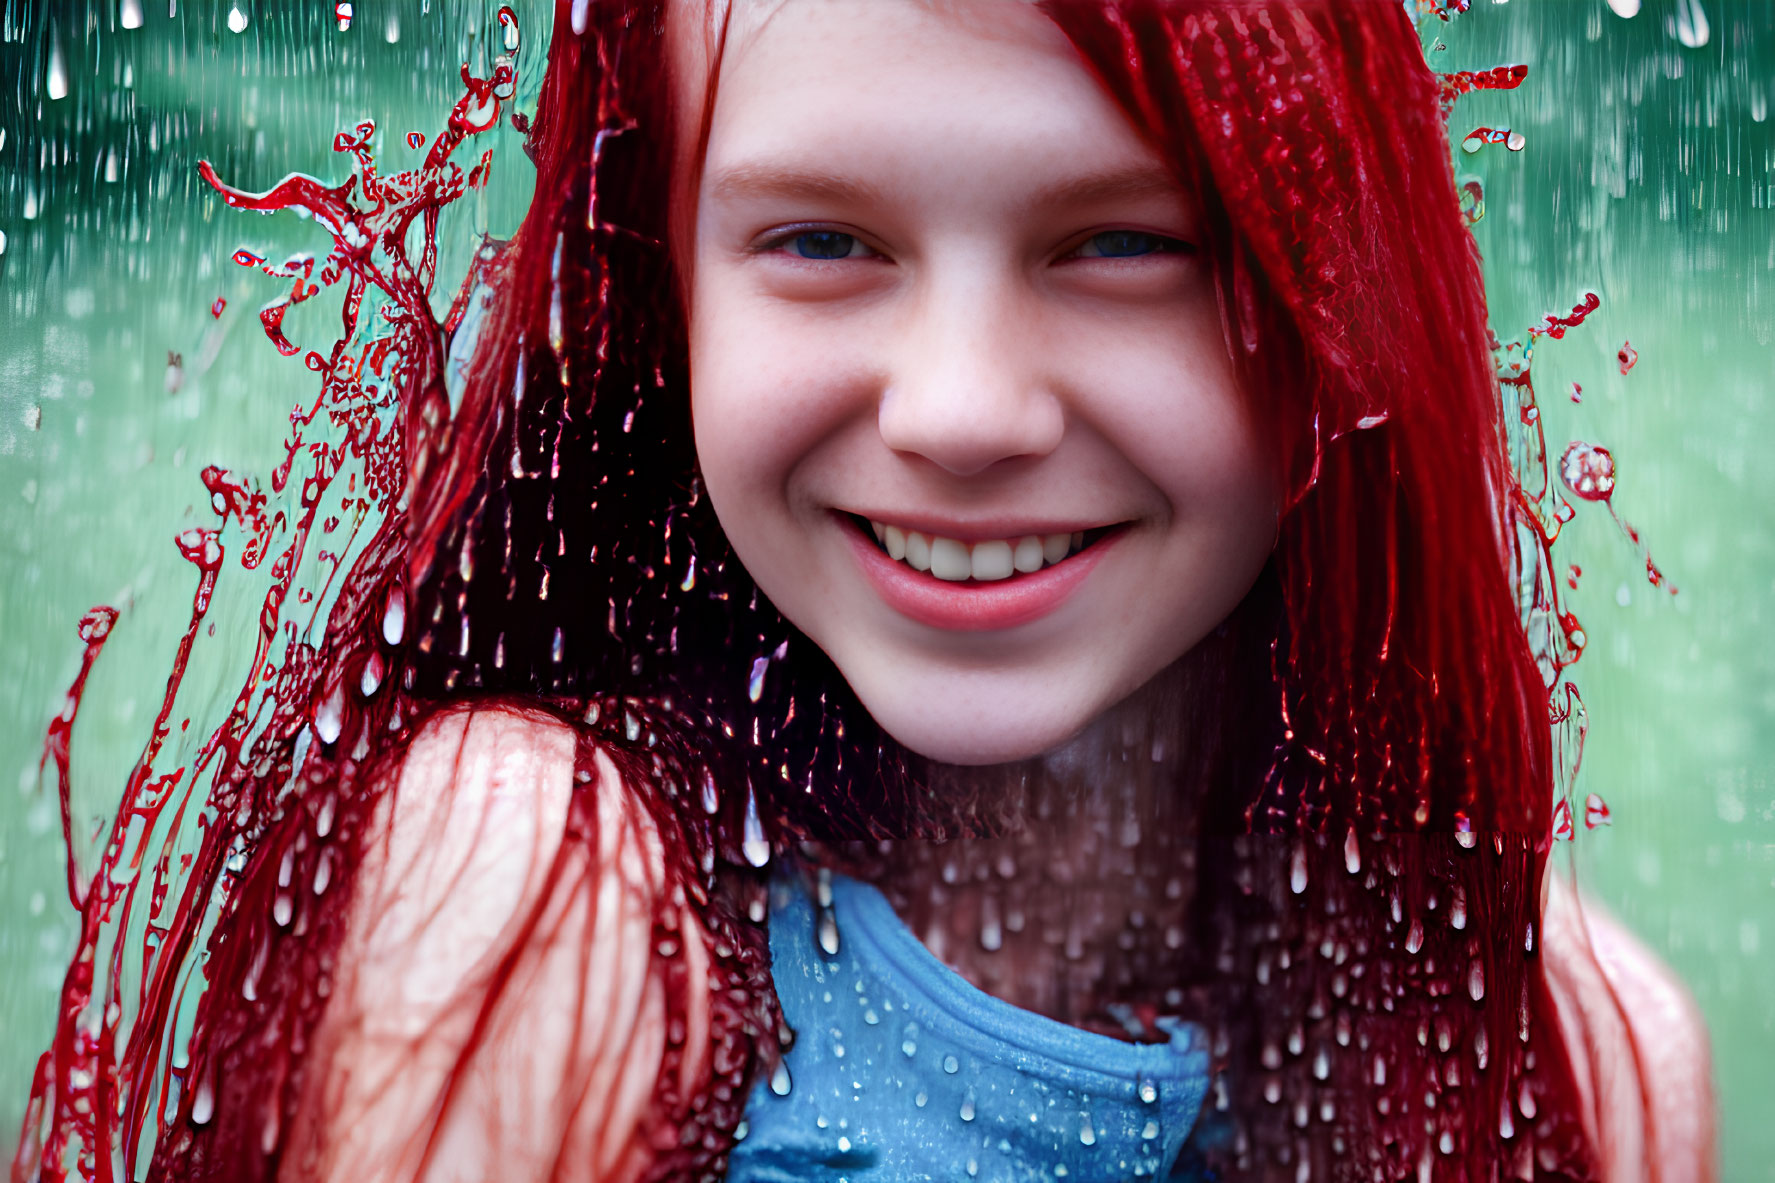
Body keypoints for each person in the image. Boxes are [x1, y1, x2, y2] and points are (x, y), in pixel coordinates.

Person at [14, 2, 1715, 1181]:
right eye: (822, 242)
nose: (962, 412)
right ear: (660, 297)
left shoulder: (1583, 1055)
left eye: (1125, 243)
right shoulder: (550, 896)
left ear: (1334, 292)